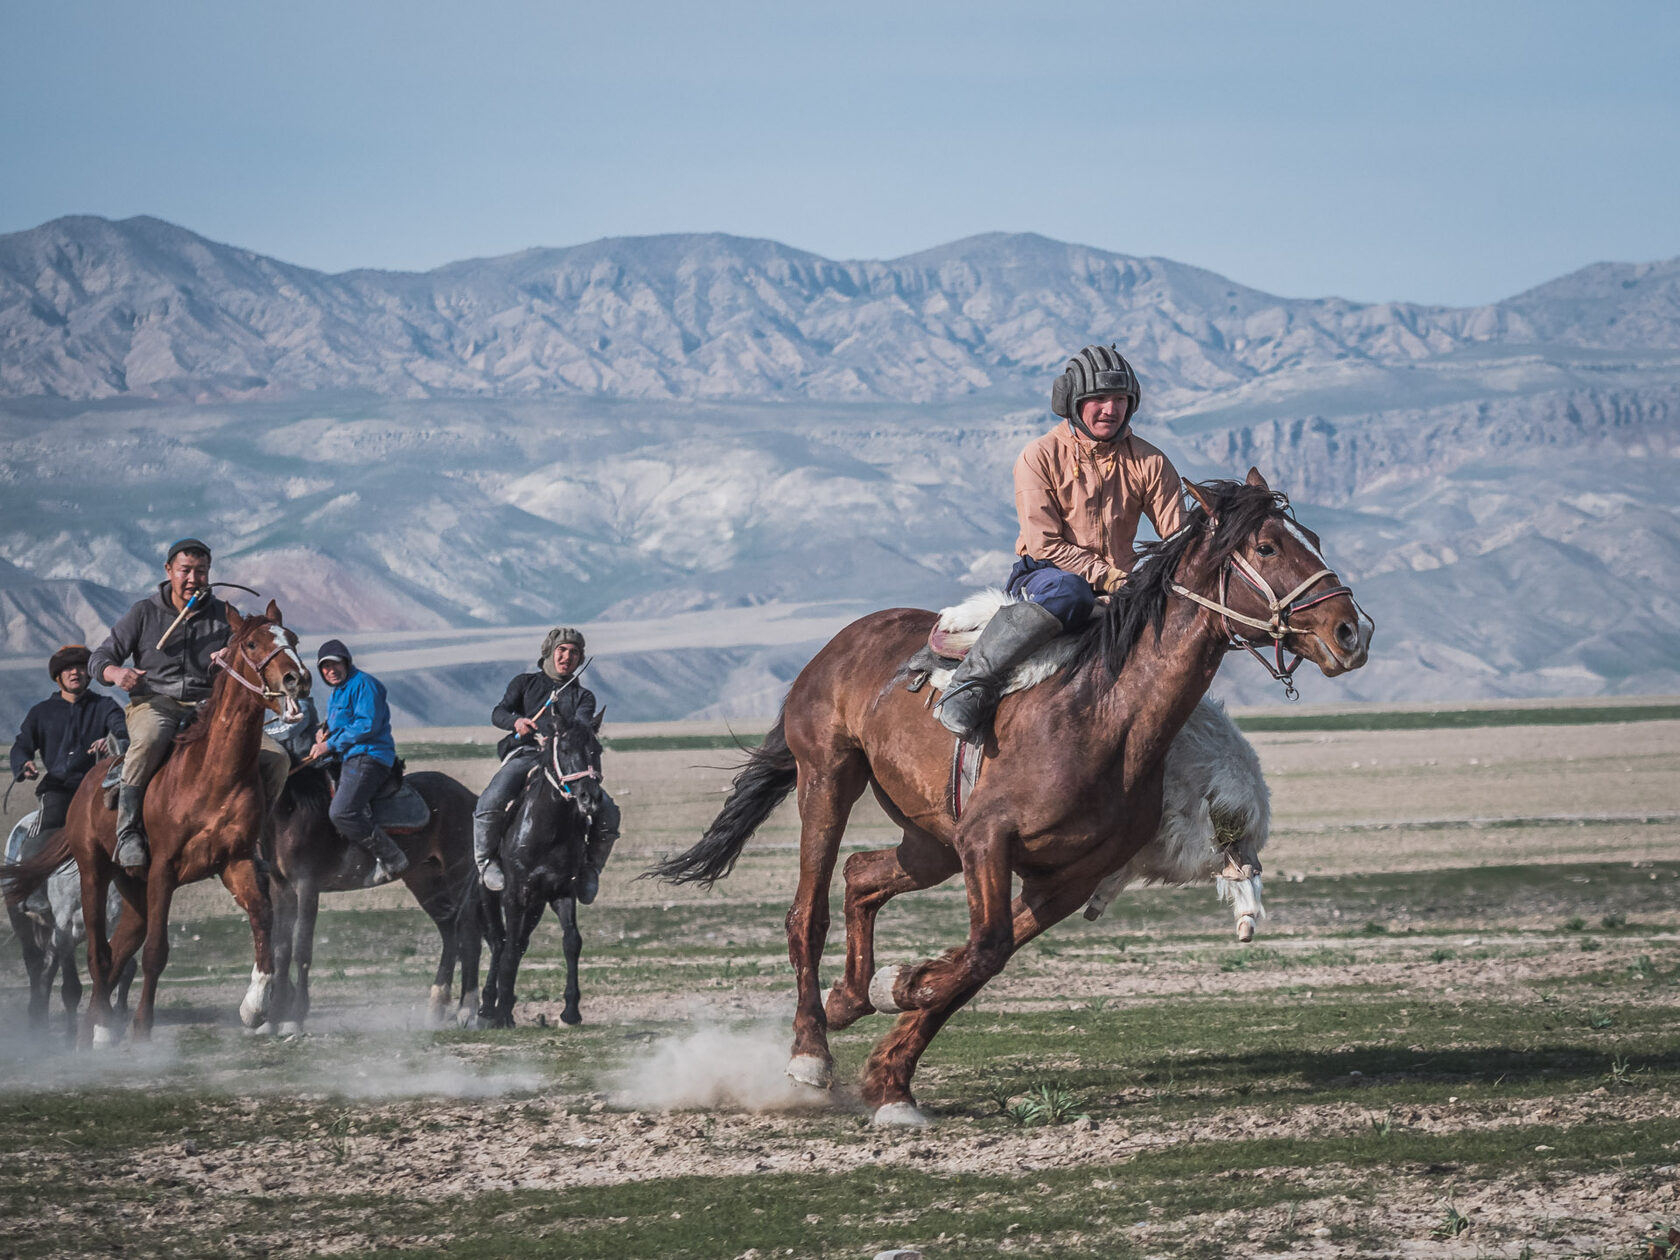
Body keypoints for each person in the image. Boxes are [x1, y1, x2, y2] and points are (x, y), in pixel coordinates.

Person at [936, 344, 1188, 739]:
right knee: (1071, 593)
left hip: (1121, 585)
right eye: (1098, 399)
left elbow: (1178, 536)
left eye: (1120, 398)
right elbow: (1043, 544)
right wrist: (1109, 578)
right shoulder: (1039, 456)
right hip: (1046, 578)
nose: (1111, 409)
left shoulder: (1150, 462)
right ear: (1072, 402)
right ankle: (972, 684)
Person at [88, 538, 291, 868]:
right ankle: (128, 832)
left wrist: (230, 654)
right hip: (155, 702)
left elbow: (247, 656)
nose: (194, 579)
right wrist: (115, 673)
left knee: (278, 758)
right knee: (150, 740)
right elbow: (101, 657)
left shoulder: (224, 616)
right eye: (186, 571)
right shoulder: (144, 612)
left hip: (209, 709)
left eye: (201, 571)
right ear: (169, 571)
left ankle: (255, 833)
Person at [474, 626, 619, 902]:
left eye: (574, 653)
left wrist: (558, 738)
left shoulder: (583, 697)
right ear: (549, 652)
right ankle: (486, 862)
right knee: (491, 799)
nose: (567, 657)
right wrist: (516, 722)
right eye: (562, 650)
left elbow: (581, 727)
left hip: (565, 763)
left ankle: (590, 870)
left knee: (608, 811)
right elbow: (498, 712)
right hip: (527, 754)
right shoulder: (524, 683)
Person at [307, 640, 409, 883]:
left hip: (369, 756)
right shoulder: (337, 693)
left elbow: (366, 724)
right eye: (325, 666)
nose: (331, 670)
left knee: (342, 811)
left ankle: (393, 857)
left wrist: (328, 745)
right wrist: (323, 733)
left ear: (347, 662)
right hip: (347, 755)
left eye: (335, 664)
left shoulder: (364, 684)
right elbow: (339, 725)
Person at [9, 645, 128, 835]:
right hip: (58, 788)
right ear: (58, 676)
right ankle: (34, 862)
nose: (75, 672)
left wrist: (110, 741)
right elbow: (22, 744)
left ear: (88, 674)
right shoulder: (41, 712)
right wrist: (24, 763)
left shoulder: (106, 706)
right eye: (68, 668)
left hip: (99, 788)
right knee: (44, 839)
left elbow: (123, 732)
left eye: (81, 667)